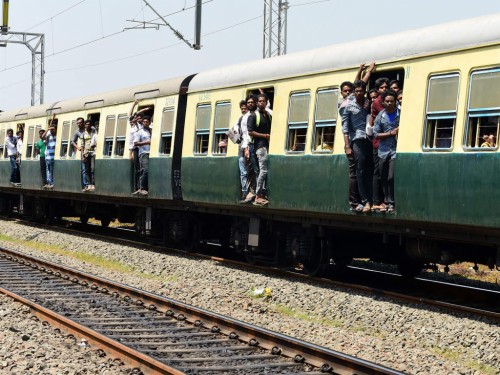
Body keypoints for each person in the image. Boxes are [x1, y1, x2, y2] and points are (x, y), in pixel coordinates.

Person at [342, 80, 373, 213]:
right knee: (359, 170)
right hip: (357, 140)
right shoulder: (347, 105)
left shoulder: (367, 103)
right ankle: (364, 200)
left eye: (361, 91)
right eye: (357, 91)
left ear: (364, 91)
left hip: (369, 139)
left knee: (368, 169)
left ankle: (369, 198)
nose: (359, 93)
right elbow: (345, 127)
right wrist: (347, 145)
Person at [374, 91, 400, 213]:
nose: (389, 103)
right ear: (383, 102)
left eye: (392, 101)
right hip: (383, 151)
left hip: (396, 149)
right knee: (383, 177)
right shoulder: (380, 115)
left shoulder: (401, 114)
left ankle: (392, 202)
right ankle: (387, 201)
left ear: (395, 101)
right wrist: (390, 133)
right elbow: (375, 134)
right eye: (387, 101)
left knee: (391, 176)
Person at [368, 77, 389, 211]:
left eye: (385, 87)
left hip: (387, 141)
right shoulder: (377, 103)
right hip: (379, 142)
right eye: (381, 88)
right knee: (378, 172)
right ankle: (377, 200)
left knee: (384, 172)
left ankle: (383, 200)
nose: (384, 89)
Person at [247, 93, 272, 206]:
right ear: (257, 103)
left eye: (264, 101)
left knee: (265, 170)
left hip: (267, 145)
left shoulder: (267, 115)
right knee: (263, 170)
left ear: (266, 102)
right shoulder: (253, 116)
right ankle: (258, 195)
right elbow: (250, 132)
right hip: (259, 146)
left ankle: (262, 192)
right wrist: (265, 136)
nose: (261, 103)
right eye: (260, 101)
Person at [128, 100, 150, 192]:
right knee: (138, 169)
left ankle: (140, 187)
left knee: (140, 169)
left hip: (141, 149)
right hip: (135, 149)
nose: (137, 119)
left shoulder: (143, 127)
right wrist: (131, 152)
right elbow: (131, 115)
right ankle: (138, 187)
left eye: (139, 118)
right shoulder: (133, 128)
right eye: (136, 118)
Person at [133, 115, 152, 196]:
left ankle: (145, 188)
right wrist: (146, 142)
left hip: (151, 153)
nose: (145, 123)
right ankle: (142, 188)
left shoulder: (151, 130)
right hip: (143, 153)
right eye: (144, 122)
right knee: (145, 170)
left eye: (146, 122)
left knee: (148, 171)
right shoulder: (140, 132)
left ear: (149, 123)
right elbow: (135, 143)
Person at [72, 117, 87, 190]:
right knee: (84, 169)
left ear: (83, 123)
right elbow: (73, 141)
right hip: (83, 151)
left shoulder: (90, 129)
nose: (78, 124)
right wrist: (77, 147)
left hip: (90, 151)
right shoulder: (77, 132)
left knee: (91, 168)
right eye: (77, 123)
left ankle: (91, 183)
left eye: (80, 123)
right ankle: (85, 184)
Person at [80, 120, 94, 191]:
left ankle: (93, 183)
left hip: (93, 152)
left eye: (89, 124)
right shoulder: (83, 134)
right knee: (87, 169)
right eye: (86, 124)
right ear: (85, 125)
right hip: (86, 153)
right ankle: (90, 184)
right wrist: (82, 155)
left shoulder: (94, 132)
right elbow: (82, 145)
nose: (88, 125)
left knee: (92, 168)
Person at [42, 122, 57, 189]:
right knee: (49, 170)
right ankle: (50, 182)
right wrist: (48, 129)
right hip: (48, 156)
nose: (52, 131)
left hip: (54, 155)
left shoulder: (57, 135)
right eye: (51, 130)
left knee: (52, 170)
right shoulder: (48, 135)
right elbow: (42, 137)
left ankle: (51, 182)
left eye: (53, 129)